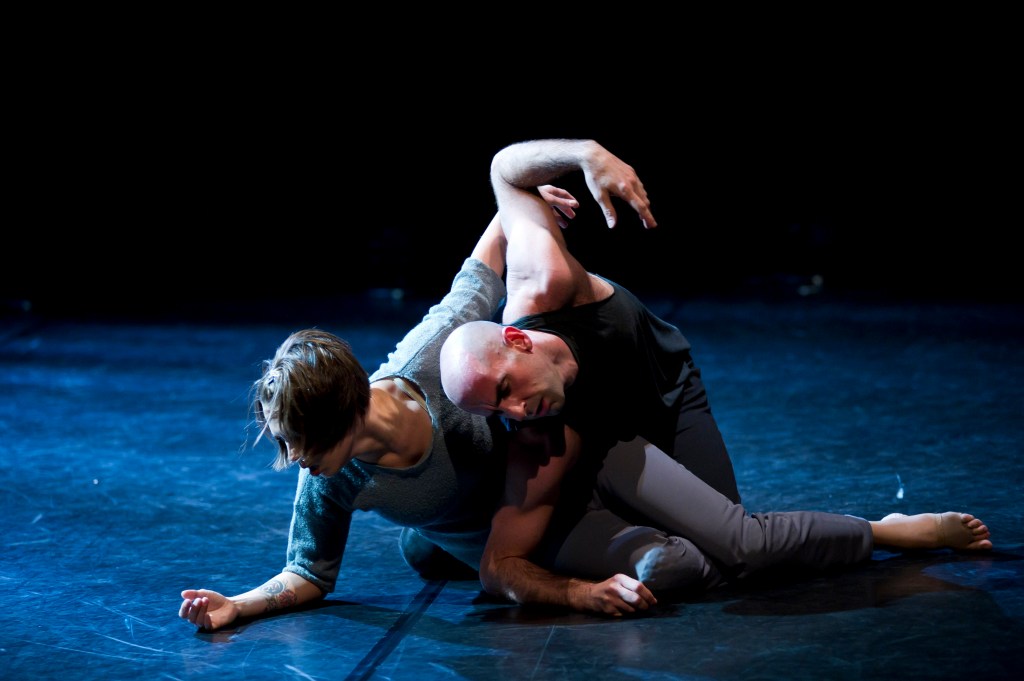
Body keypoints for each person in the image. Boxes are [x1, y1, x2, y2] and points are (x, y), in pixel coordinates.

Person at [438, 138, 993, 612]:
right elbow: (499, 565)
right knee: (735, 551)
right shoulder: (541, 436)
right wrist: (578, 592)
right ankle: (884, 533)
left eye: (506, 390)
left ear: (517, 340)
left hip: (669, 392)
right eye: (495, 411)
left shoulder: (543, 283)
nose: (513, 413)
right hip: (610, 443)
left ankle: (882, 526)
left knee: (738, 541)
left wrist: (587, 153)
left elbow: (503, 168)